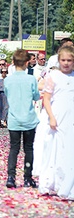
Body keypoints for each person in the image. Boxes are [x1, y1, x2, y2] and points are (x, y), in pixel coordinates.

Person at [33, 46, 74, 200]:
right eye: (63, 60)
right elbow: (47, 99)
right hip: (56, 117)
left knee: (68, 153)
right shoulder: (53, 76)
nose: (66, 63)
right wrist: (51, 117)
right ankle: (49, 183)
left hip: (70, 118)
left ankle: (66, 187)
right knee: (53, 151)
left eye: (69, 60)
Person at [4, 49, 40, 188]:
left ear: (13, 62)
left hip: (13, 119)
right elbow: (36, 96)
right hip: (28, 118)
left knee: (14, 149)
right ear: (27, 63)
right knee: (28, 149)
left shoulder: (8, 80)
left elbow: (7, 95)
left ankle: (11, 177)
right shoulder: (31, 79)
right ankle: (27, 177)